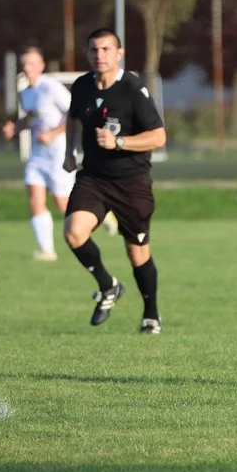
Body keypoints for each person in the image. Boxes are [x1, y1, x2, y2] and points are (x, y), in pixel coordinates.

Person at [62, 28, 167, 334]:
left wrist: (119, 143)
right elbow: (73, 117)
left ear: (119, 53)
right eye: (94, 50)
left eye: (106, 49)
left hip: (131, 182)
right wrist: (70, 151)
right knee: (73, 232)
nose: (100, 55)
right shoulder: (81, 86)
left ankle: (151, 314)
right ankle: (108, 286)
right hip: (93, 178)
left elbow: (159, 136)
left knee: (137, 251)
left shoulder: (133, 89)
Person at [3, 47, 119, 262]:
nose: (26, 68)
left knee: (62, 203)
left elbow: (75, 112)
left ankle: (103, 212)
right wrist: (16, 128)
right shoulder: (26, 92)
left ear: (41, 66)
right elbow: (32, 118)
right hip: (38, 154)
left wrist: (53, 133)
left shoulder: (50, 87)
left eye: (31, 63)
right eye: (24, 64)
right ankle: (47, 250)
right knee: (34, 198)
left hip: (58, 152)